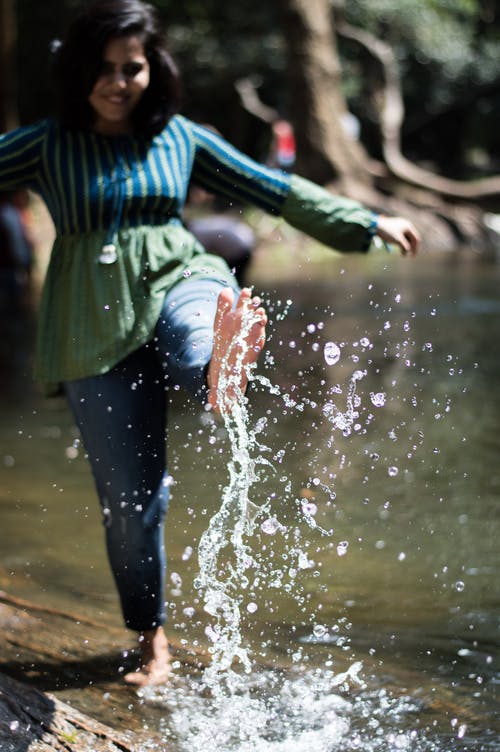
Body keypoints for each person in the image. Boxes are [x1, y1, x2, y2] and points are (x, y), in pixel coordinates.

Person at [0, 0, 420, 687]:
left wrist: (364, 220)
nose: (116, 83)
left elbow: (271, 188)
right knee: (134, 507)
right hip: (89, 325)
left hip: (179, 273)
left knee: (200, 329)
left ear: (151, 68)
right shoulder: (47, 143)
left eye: (130, 67)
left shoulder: (181, 137)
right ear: (78, 73)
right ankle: (150, 637)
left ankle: (219, 364)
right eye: (101, 70)